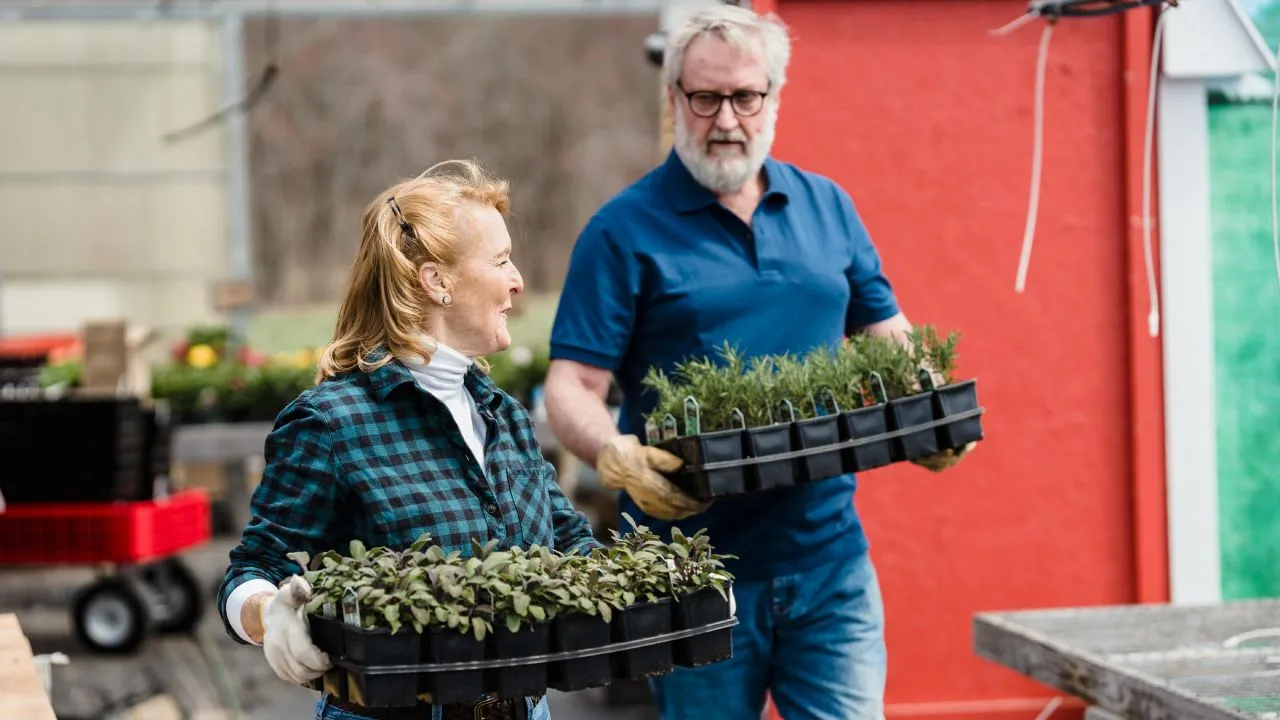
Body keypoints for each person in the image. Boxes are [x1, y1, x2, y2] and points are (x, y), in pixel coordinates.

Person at [543, 6, 975, 720]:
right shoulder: (622, 231)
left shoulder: (827, 207)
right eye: (705, 97)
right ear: (676, 99)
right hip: (690, 577)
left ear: (774, 96)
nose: (726, 118)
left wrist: (927, 412)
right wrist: (616, 454)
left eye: (746, 96)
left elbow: (886, 338)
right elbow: (572, 386)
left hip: (828, 561)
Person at [216, 159, 600, 720]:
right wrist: (269, 612)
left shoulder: (503, 416)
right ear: (437, 281)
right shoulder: (333, 422)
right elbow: (251, 568)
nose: (518, 280)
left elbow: (574, 550)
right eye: (500, 261)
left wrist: (682, 591)